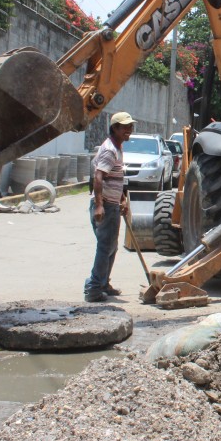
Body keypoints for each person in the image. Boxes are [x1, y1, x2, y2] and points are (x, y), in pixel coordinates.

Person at [84, 111, 133, 302]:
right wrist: (99, 205)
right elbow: (98, 177)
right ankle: (94, 288)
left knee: (111, 247)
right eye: (125, 127)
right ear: (115, 128)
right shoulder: (110, 150)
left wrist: (121, 199)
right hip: (105, 206)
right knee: (105, 247)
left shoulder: (117, 148)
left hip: (112, 204)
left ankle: (103, 283)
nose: (129, 130)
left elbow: (115, 178)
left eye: (130, 126)